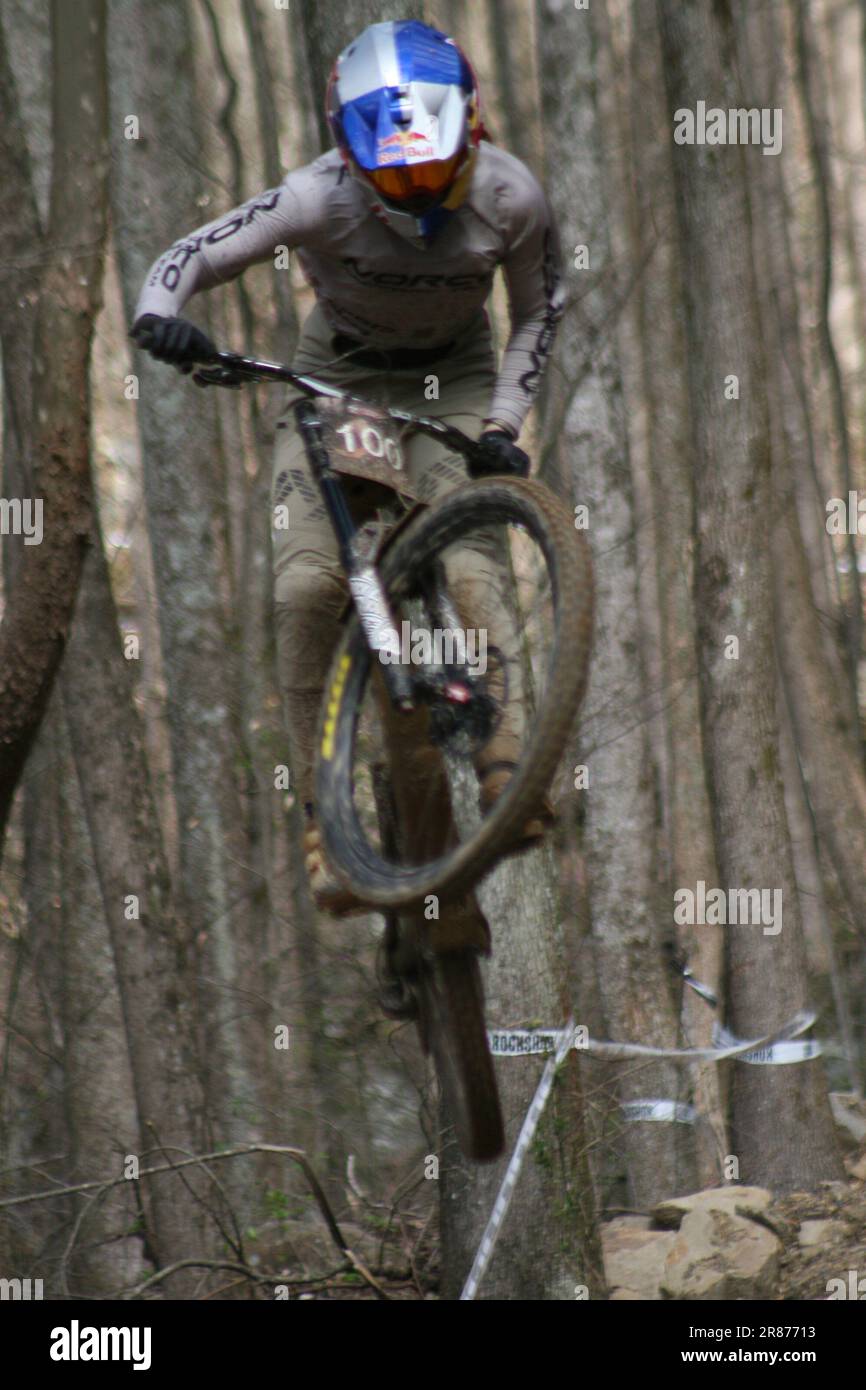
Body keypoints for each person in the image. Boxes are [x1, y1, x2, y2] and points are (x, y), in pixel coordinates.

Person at [132, 18, 565, 915]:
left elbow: (535, 313)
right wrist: (158, 314)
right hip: (333, 378)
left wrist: (503, 424)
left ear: (470, 131)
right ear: (350, 158)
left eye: (430, 174)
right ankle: (326, 823)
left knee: (472, 561)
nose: (413, 199)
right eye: (391, 182)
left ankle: (506, 768)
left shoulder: (513, 197)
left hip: (456, 379)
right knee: (304, 592)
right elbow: (191, 255)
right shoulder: (316, 195)